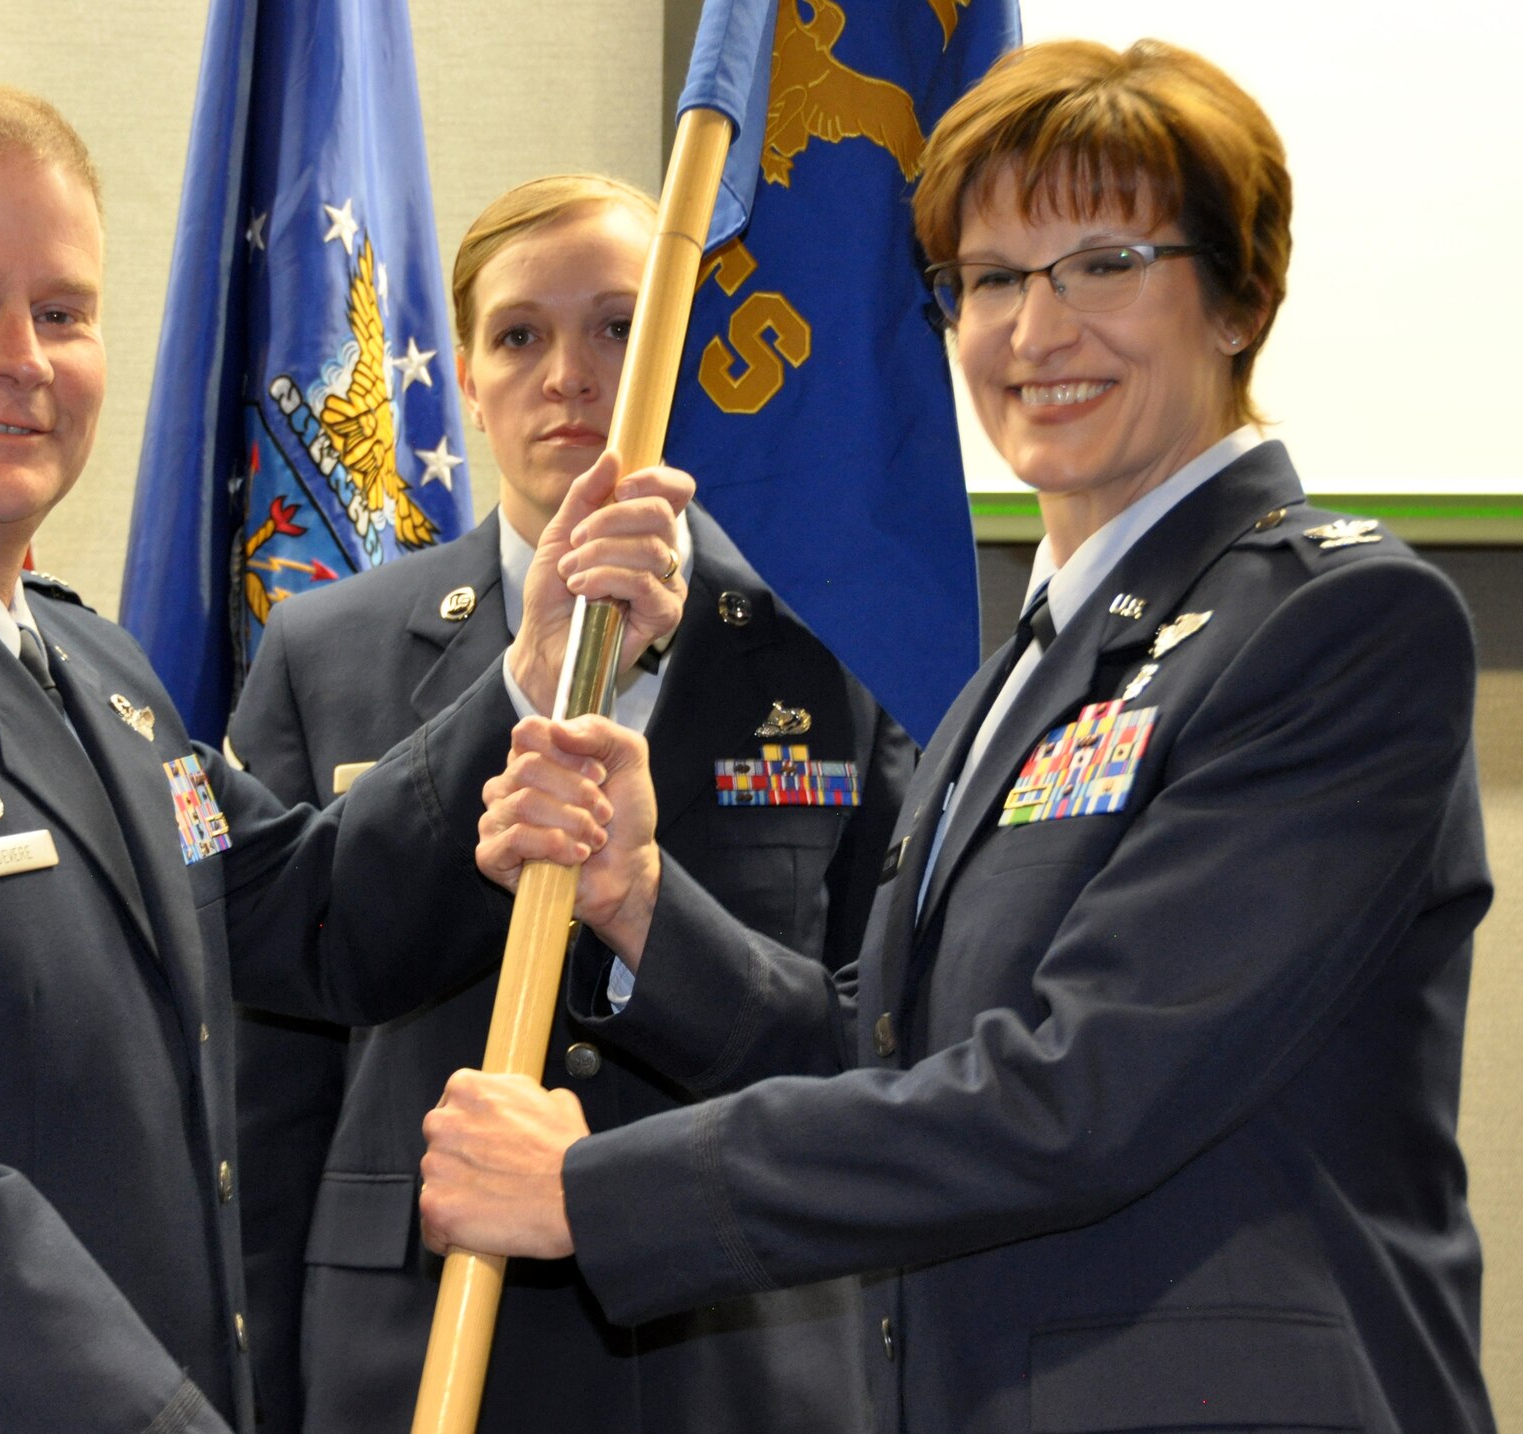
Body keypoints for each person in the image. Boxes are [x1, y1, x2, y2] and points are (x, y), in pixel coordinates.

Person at [0, 84, 679, 1434]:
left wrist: (529, 669)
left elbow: (310, 912)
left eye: (64, 311)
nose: (20, 357)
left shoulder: (92, 669)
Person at [422, 39, 1496, 1434]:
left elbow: (1078, 1092)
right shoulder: (1017, 677)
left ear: (1240, 297)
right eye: (991, 279)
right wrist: (642, 903)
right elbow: (889, 1048)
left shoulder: (1340, 629)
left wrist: (595, 1190)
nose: (1037, 333)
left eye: (1105, 261)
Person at [227, 174, 913, 1434]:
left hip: (741, 1345)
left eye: (615, 325)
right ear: (468, 380)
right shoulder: (327, 650)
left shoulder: (832, 657)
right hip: (416, 1345)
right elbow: (271, 1080)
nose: (569, 375)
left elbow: (882, 1045)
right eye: (518, 336)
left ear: (682, 356)